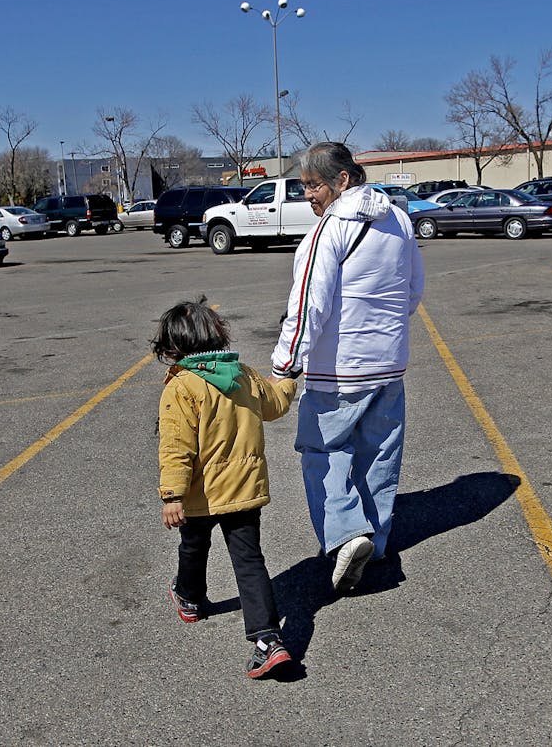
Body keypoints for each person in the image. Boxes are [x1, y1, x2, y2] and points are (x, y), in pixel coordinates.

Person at [271, 142, 424, 594]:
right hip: (389, 364)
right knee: (379, 456)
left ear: (342, 180)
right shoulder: (398, 217)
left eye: (313, 185)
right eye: (302, 186)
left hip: (338, 370)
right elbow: (413, 291)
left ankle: (344, 535)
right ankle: (373, 544)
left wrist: (286, 364)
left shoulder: (331, 229)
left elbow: (307, 305)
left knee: (324, 451)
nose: (308, 195)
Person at [153, 298, 298, 679]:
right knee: (249, 561)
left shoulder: (182, 386)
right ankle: (269, 640)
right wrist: (288, 379)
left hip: (200, 495)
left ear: (174, 348)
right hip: (244, 489)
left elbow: (176, 445)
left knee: (193, 545)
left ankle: (190, 597)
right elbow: (275, 404)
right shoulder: (243, 374)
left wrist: (173, 495)